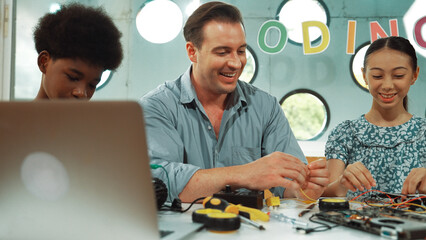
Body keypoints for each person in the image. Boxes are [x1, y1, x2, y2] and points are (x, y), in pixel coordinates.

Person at [140, 1, 329, 203]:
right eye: (222, 52)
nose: (236, 63)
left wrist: (303, 189)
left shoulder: (266, 107)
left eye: (240, 51)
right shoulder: (156, 107)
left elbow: (290, 187)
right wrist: (245, 174)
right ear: (192, 51)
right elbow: (158, 183)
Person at [323, 36, 426, 198]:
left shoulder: (424, 132)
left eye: (398, 75)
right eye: (377, 76)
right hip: (356, 223)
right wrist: (342, 183)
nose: (387, 85)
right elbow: (325, 195)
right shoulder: (345, 133)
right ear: (364, 75)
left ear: (414, 75)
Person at [33, 3, 123, 100]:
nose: (82, 93)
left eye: (92, 85)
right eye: (73, 77)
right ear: (44, 62)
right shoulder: (15, 115)